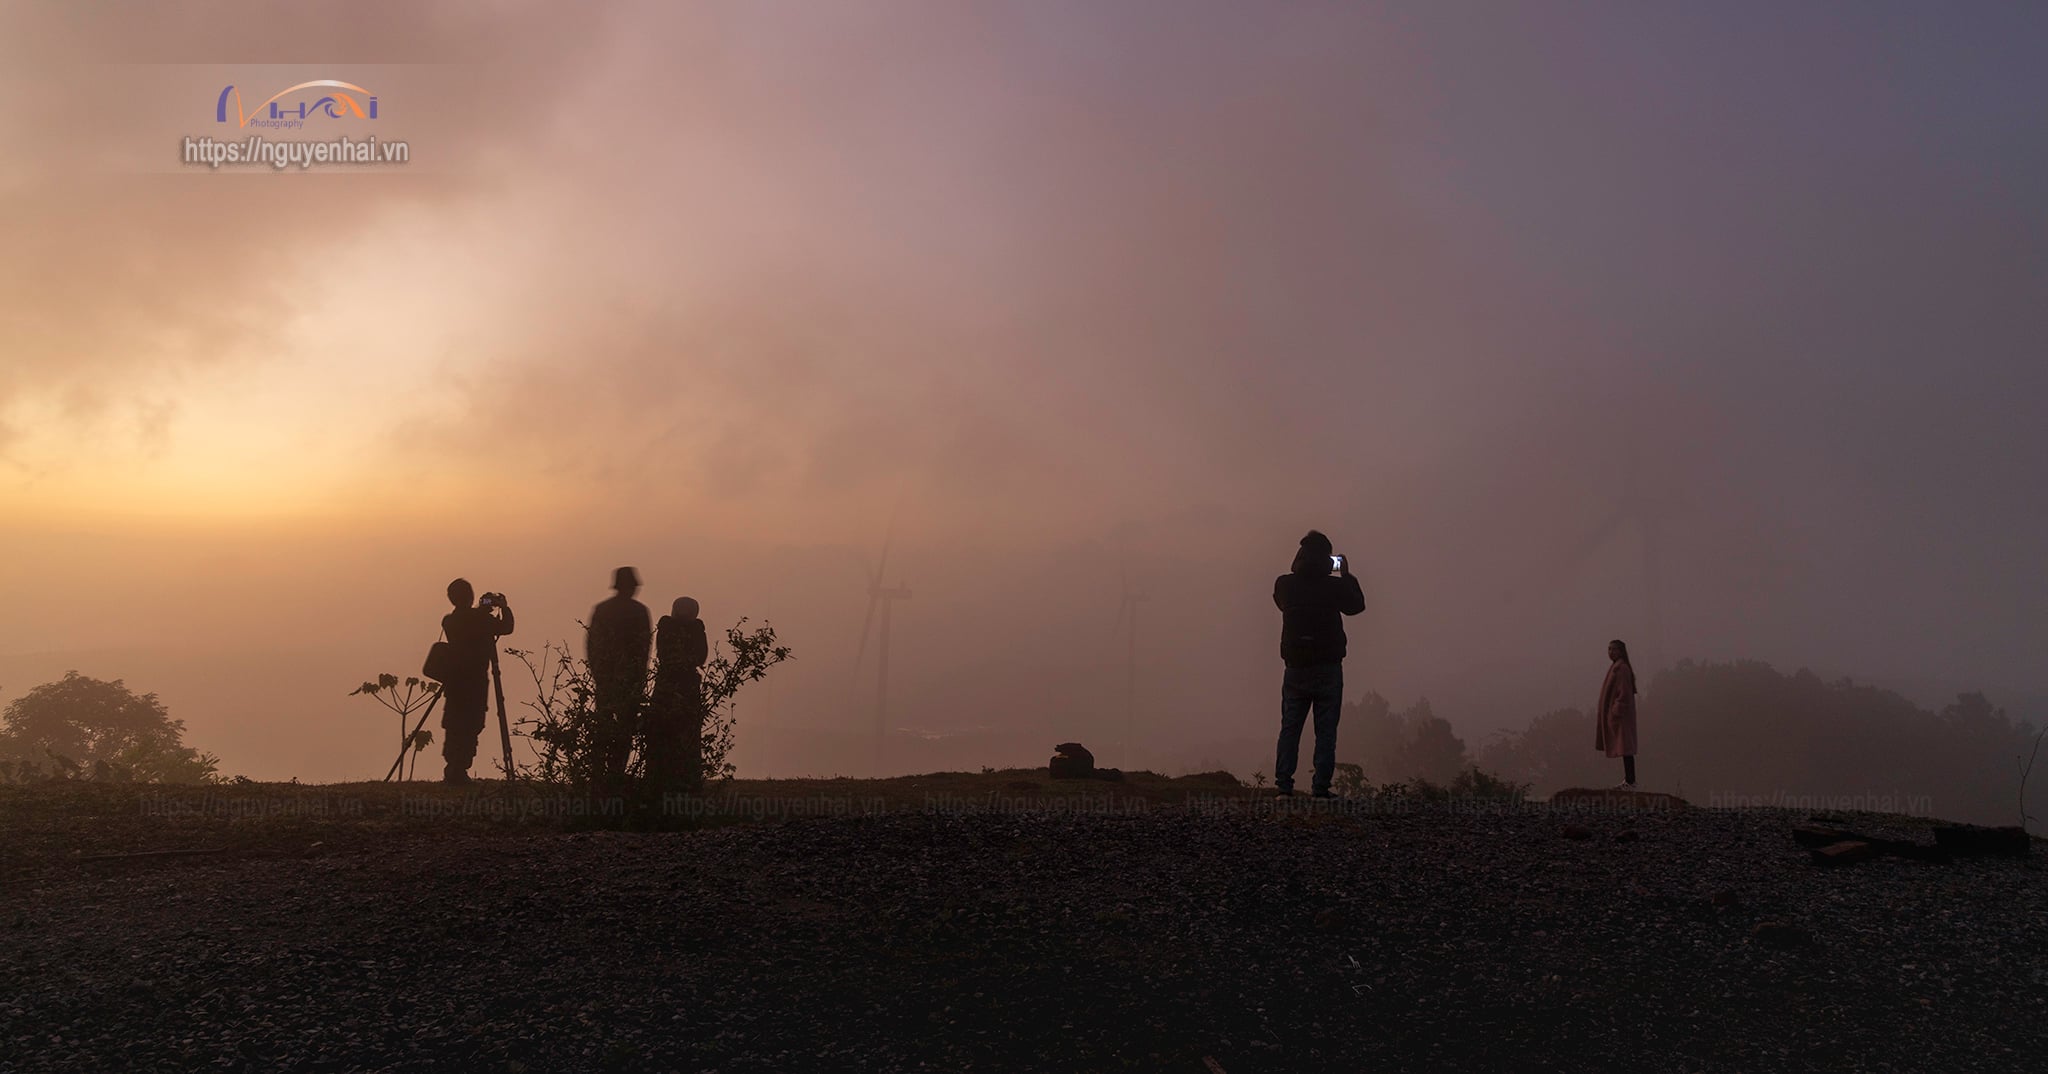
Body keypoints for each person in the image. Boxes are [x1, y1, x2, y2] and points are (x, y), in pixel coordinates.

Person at [1271, 530, 1366, 798]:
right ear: (1328, 559)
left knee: (1290, 726)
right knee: (1325, 730)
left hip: (1295, 667)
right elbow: (1357, 606)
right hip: (1328, 667)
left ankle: (1283, 785)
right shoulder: (1334, 587)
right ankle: (1320, 787)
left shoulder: (1284, 585)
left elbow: (1281, 603)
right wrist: (1346, 575)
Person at [439, 579, 514, 784]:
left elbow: (468, 623)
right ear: (470, 596)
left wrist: (481, 611)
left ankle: (452, 768)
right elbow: (506, 627)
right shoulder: (480, 620)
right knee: (471, 724)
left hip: (455, 682)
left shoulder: (449, 621)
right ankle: (459, 770)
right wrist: (504, 607)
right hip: (474, 682)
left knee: (454, 724)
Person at [587, 566, 652, 784]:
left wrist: (598, 672)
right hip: (628, 679)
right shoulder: (639, 612)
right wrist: (639, 677)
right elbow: (644, 648)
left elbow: (592, 645)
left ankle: (599, 773)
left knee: (603, 725)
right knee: (624, 728)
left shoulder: (602, 610)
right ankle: (615, 771)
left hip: (606, 677)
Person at [647, 596, 710, 790]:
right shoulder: (695, 629)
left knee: (667, 730)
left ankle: (661, 775)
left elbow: (666, 654)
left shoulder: (666, 627)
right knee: (683, 730)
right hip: (685, 684)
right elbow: (701, 657)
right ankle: (685, 775)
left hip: (669, 683)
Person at [1595, 638, 1639, 788]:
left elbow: (1624, 693)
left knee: (1626, 748)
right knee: (1625, 747)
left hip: (1621, 716)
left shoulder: (1621, 669)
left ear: (1621, 651)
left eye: (1614, 649)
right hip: (1619, 716)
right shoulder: (1616, 667)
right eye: (1609, 649)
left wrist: (1615, 711)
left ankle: (1630, 781)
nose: (1610, 652)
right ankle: (1629, 780)